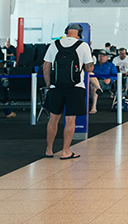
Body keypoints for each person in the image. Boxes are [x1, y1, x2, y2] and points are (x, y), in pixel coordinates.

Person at [43, 23, 94, 159]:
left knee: (53, 119)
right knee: (70, 119)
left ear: (66, 32)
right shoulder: (83, 46)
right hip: (75, 87)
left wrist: (49, 85)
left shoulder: (54, 45)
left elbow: (46, 67)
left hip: (56, 87)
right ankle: (65, 151)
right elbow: (89, 68)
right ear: (79, 33)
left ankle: (49, 150)